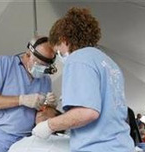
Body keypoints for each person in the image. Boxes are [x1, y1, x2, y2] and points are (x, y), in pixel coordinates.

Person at [32, 7, 134, 152]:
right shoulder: (109, 63)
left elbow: (87, 112)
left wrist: (49, 125)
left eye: (57, 51)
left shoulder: (78, 59)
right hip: (121, 145)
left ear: (64, 40)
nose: (59, 56)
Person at [0, 36, 58, 152]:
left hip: (27, 140)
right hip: (0, 139)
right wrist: (21, 100)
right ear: (28, 54)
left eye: (46, 67)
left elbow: (41, 120)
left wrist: (49, 108)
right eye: (40, 65)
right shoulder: (5, 64)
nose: (42, 70)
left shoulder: (45, 80)